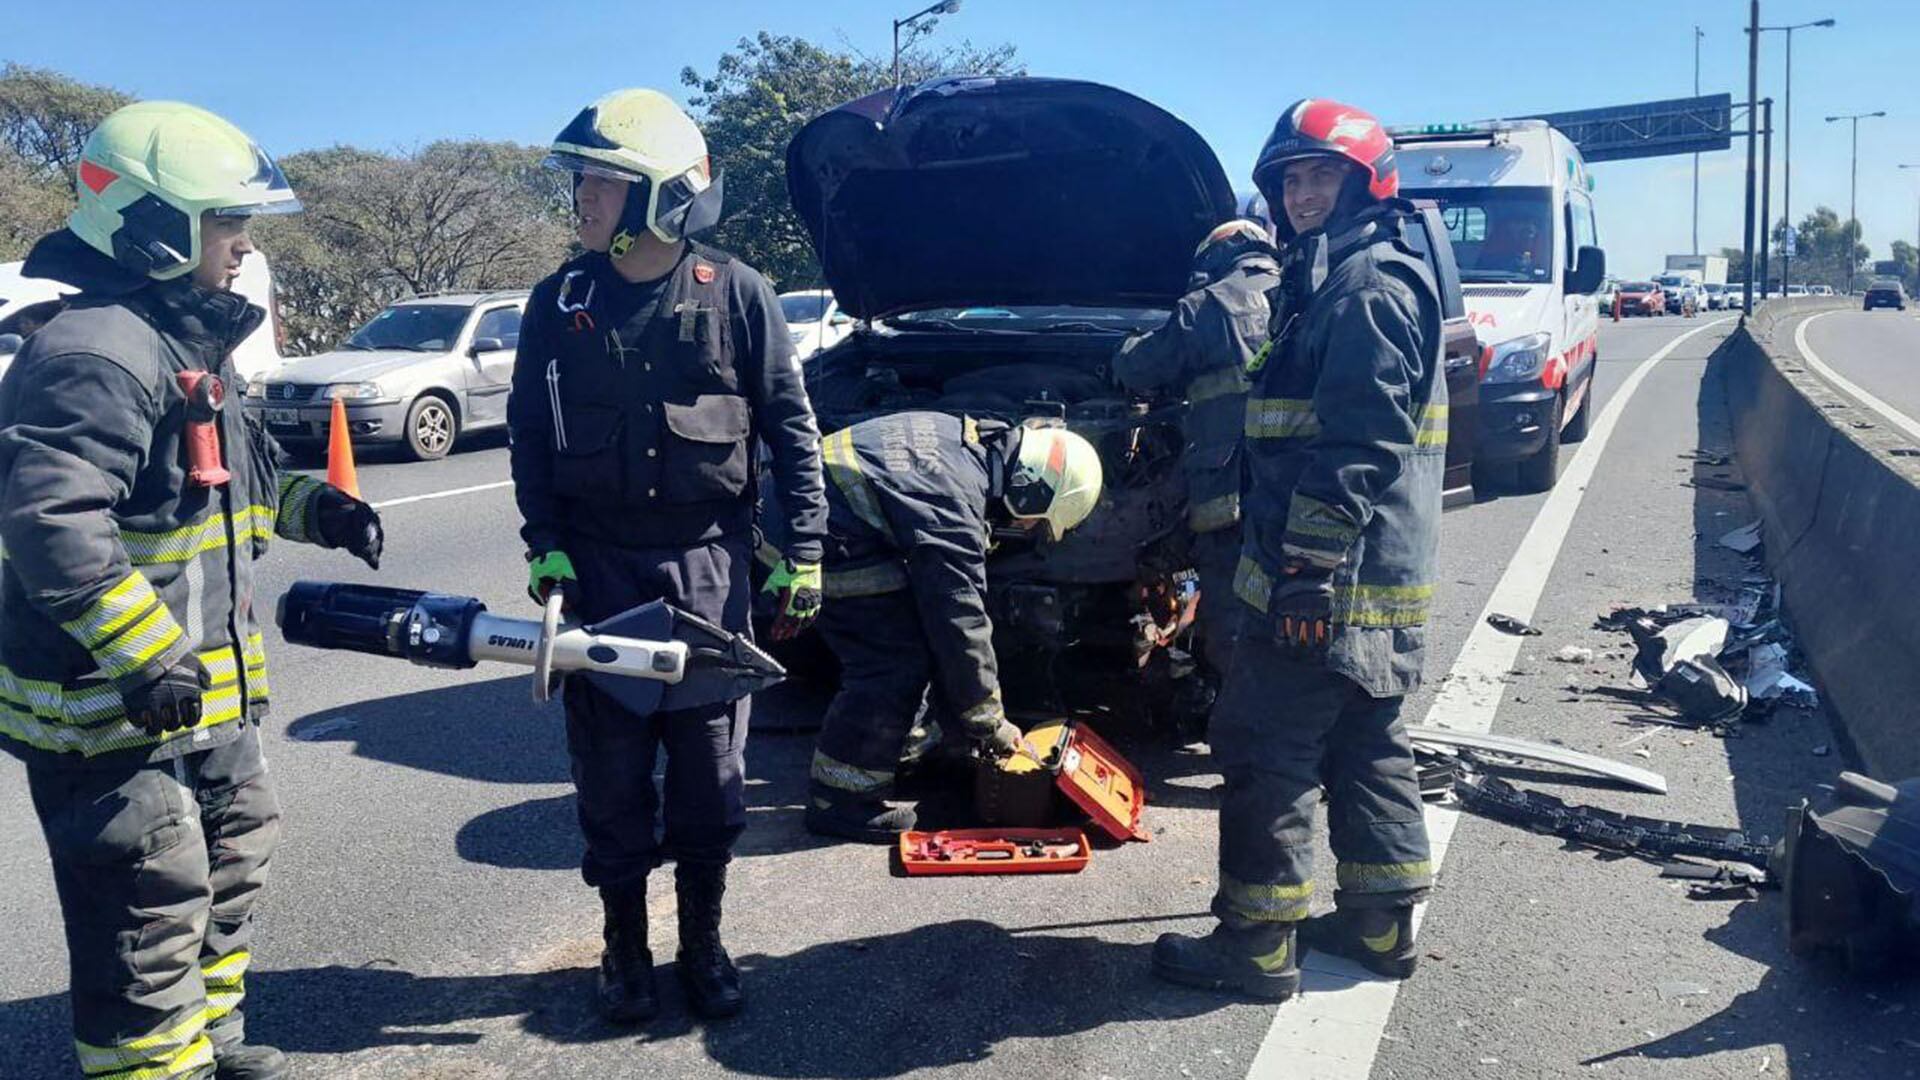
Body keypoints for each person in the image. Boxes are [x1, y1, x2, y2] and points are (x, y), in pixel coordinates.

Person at [0, 101, 384, 1080]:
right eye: (225, 223)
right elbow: (54, 525)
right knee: (149, 899)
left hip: (201, 694)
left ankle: (212, 1047)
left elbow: (225, 491)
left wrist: (315, 508)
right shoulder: (92, 353)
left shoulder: (185, 344)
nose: (243, 246)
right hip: (110, 711)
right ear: (151, 223)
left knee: (233, 855)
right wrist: (146, 651)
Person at [507, 88, 827, 1023]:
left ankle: (703, 942)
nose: (582, 198)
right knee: (609, 777)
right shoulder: (558, 302)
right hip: (598, 574)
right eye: (581, 182)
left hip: (709, 571)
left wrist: (800, 553)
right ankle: (622, 949)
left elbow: (791, 433)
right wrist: (547, 549)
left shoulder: (738, 293)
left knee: (707, 777)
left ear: (658, 195)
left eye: (601, 182)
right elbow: (530, 436)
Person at [1152, 98, 1446, 1001]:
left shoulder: (1366, 290)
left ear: (1363, 181)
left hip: (1327, 579)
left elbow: (1358, 447)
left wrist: (1308, 573)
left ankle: (1257, 945)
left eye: (1322, 174)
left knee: (1262, 750)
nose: (1303, 192)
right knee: (1365, 740)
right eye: (1290, 179)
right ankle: (1378, 923)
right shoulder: (1336, 276)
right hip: (1369, 575)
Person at [803, 412, 1103, 842]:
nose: (1026, 530)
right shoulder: (953, 505)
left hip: (824, 517)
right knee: (892, 663)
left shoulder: (967, 444)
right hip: (819, 540)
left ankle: (905, 756)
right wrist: (990, 724)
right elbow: (960, 622)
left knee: (918, 638)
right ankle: (838, 800)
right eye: (1035, 522)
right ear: (1031, 489)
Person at [1112, 218, 1281, 679]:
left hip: (1230, 496)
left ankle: (1242, 723)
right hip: (1292, 495)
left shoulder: (1208, 304)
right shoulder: (1305, 296)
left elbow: (1141, 368)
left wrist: (1123, 348)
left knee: (1232, 617)